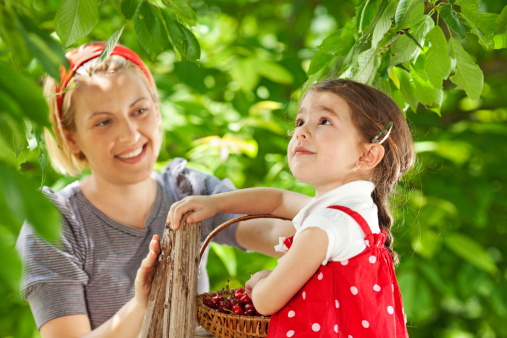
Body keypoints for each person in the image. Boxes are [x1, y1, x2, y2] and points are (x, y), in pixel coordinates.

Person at [15, 43, 296, 338]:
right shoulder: (53, 222)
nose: (130, 133)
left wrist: (329, 221)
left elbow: (273, 233)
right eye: (103, 121)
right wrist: (143, 304)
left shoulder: (188, 190)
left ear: (157, 110)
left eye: (139, 110)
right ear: (70, 138)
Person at [168, 78, 414, 337]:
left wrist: (261, 280)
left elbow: (265, 301)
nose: (301, 132)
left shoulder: (325, 225)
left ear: (367, 156)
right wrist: (216, 203)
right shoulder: (354, 211)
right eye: (300, 122)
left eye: (324, 121)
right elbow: (279, 201)